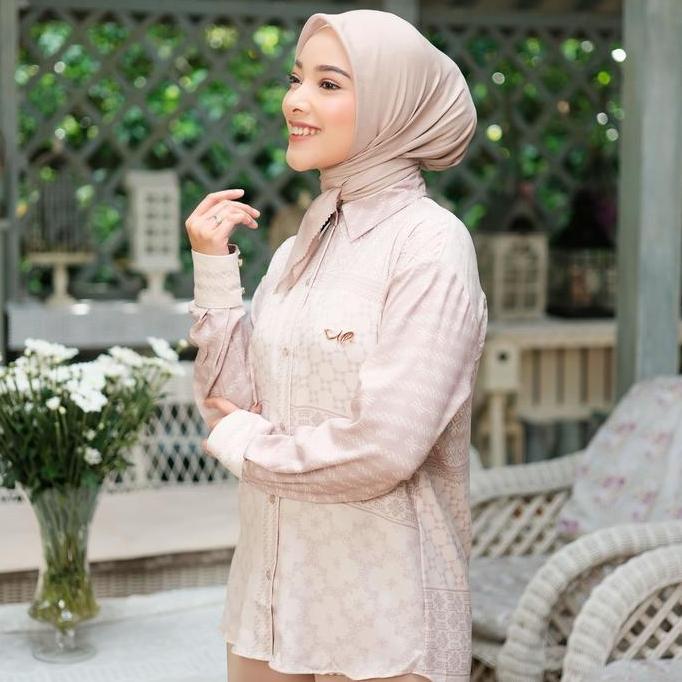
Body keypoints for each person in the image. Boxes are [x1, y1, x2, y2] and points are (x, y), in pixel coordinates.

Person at [186, 9, 487, 682]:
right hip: (269, 598)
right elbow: (229, 404)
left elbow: (384, 447)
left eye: (328, 84)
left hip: (381, 613)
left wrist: (248, 447)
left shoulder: (431, 245)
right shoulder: (298, 249)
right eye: (296, 80)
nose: (295, 101)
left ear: (391, 106)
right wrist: (214, 269)